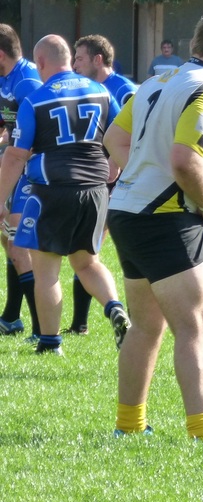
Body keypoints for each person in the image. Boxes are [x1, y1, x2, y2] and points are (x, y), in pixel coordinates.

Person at [103, 11, 203, 443]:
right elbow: (185, 161)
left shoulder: (154, 82)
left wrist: (145, 172)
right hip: (166, 217)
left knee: (146, 326)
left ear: (193, 46)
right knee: (193, 325)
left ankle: (129, 425)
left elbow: (113, 139)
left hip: (126, 210)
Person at [0, 35, 129, 356]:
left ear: (41, 62)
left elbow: (16, 156)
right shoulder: (101, 91)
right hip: (95, 190)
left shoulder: (36, 99)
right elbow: (122, 134)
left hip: (52, 190)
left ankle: (50, 342)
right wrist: (114, 166)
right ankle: (114, 307)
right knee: (87, 263)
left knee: (47, 271)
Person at [66, 34, 138, 336]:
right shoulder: (84, 88)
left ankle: (133, 316)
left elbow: (136, 133)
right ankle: (80, 324)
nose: (74, 65)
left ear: (98, 59)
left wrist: (116, 163)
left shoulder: (123, 89)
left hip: (121, 182)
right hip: (94, 179)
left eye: (80, 58)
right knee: (86, 248)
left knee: (96, 249)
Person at [0, 25, 42, 340]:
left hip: (29, 170)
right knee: (8, 240)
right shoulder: (6, 79)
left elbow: (36, 133)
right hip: (13, 164)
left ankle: (42, 328)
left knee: (17, 244)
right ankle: (12, 317)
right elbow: (7, 126)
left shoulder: (27, 81)